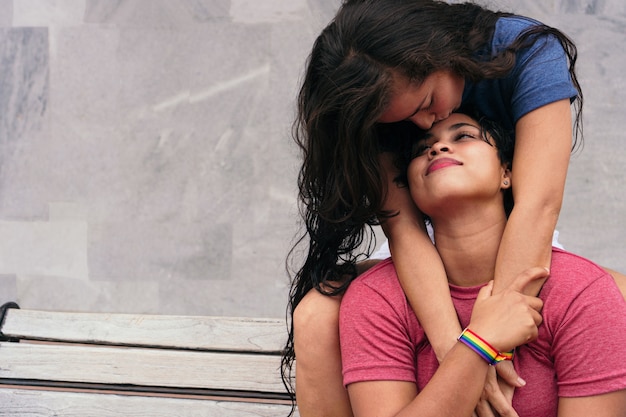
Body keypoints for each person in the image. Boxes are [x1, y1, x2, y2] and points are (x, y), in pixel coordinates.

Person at [282, 1, 623, 416]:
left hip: (518, 229)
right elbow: (404, 229)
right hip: (421, 248)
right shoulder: (368, 104)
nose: (428, 127)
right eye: (409, 126)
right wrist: (470, 353)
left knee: (608, 297)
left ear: (438, 51)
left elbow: (537, 205)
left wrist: (497, 349)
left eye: (427, 100)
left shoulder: (528, 52)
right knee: (317, 315)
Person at [340, 111, 626, 417]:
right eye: (422, 149)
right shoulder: (376, 298)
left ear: (507, 172)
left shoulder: (581, 293)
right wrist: (479, 343)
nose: (437, 149)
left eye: (463, 136)